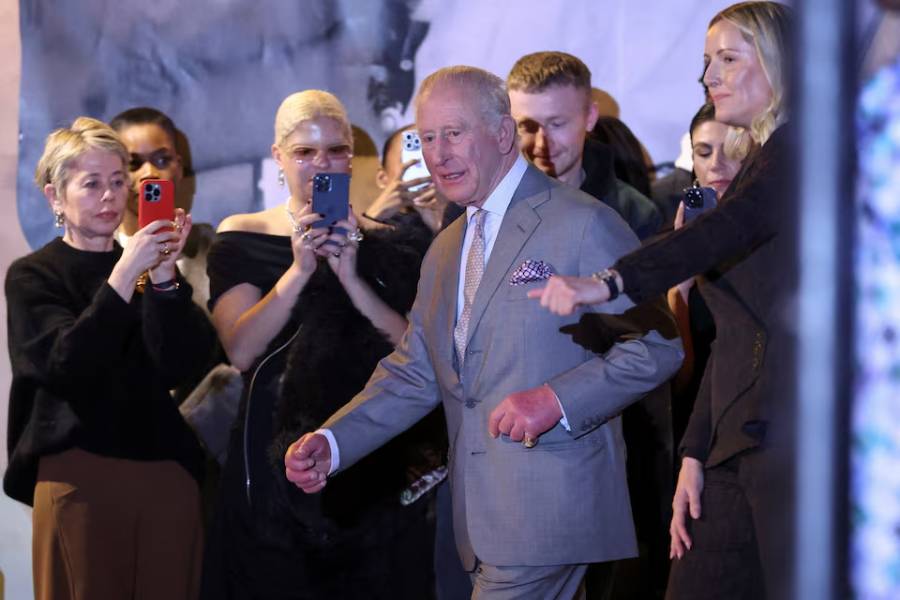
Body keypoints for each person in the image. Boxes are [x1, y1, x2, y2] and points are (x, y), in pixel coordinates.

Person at [285, 66, 683, 599]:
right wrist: (333, 441)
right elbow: (416, 370)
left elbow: (659, 344)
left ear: (501, 134)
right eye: (427, 138)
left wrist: (556, 400)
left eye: (454, 133)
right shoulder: (448, 246)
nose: (438, 153)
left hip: (547, 512)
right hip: (478, 520)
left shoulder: (582, 222)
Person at [528, 3, 794, 598]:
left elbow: (719, 233)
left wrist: (609, 282)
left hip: (797, 445)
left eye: (729, 58)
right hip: (737, 442)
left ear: (781, 63)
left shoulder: (801, 152)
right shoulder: (762, 167)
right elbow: (734, 335)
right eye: (706, 62)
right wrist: (697, 453)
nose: (710, 77)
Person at [201, 90, 435, 599]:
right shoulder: (241, 237)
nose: (320, 164)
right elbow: (240, 350)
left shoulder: (394, 239)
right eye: (305, 152)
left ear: (351, 156)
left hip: (372, 447)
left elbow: (413, 351)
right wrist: (300, 269)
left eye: (334, 150)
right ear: (278, 157)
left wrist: (351, 276)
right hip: (272, 447)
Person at [4, 117, 212, 600]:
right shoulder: (34, 276)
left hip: (165, 475)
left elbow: (180, 366)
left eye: (118, 181)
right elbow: (67, 365)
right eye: (91, 183)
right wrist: (126, 273)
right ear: (55, 197)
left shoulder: (144, 266)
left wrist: (163, 279)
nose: (109, 195)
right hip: (80, 477)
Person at [506, 51, 662, 240]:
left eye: (557, 124)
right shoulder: (483, 204)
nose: (541, 144)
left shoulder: (633, 215)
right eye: (528, 127)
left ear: (590, 117)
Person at [667, 103, 746, 452]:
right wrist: (680, 287)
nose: (717, 164)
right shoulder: (666, 241)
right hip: (694, 435)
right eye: (704, 151)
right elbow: (674, 382)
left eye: (732, 150)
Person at [362, 123, 447, 234]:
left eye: (429, 157)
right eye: (410, 157)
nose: (423, 166)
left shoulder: (465, 217)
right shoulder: (379, 224)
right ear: (382, 178)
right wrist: (372, 218)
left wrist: (442, 228)